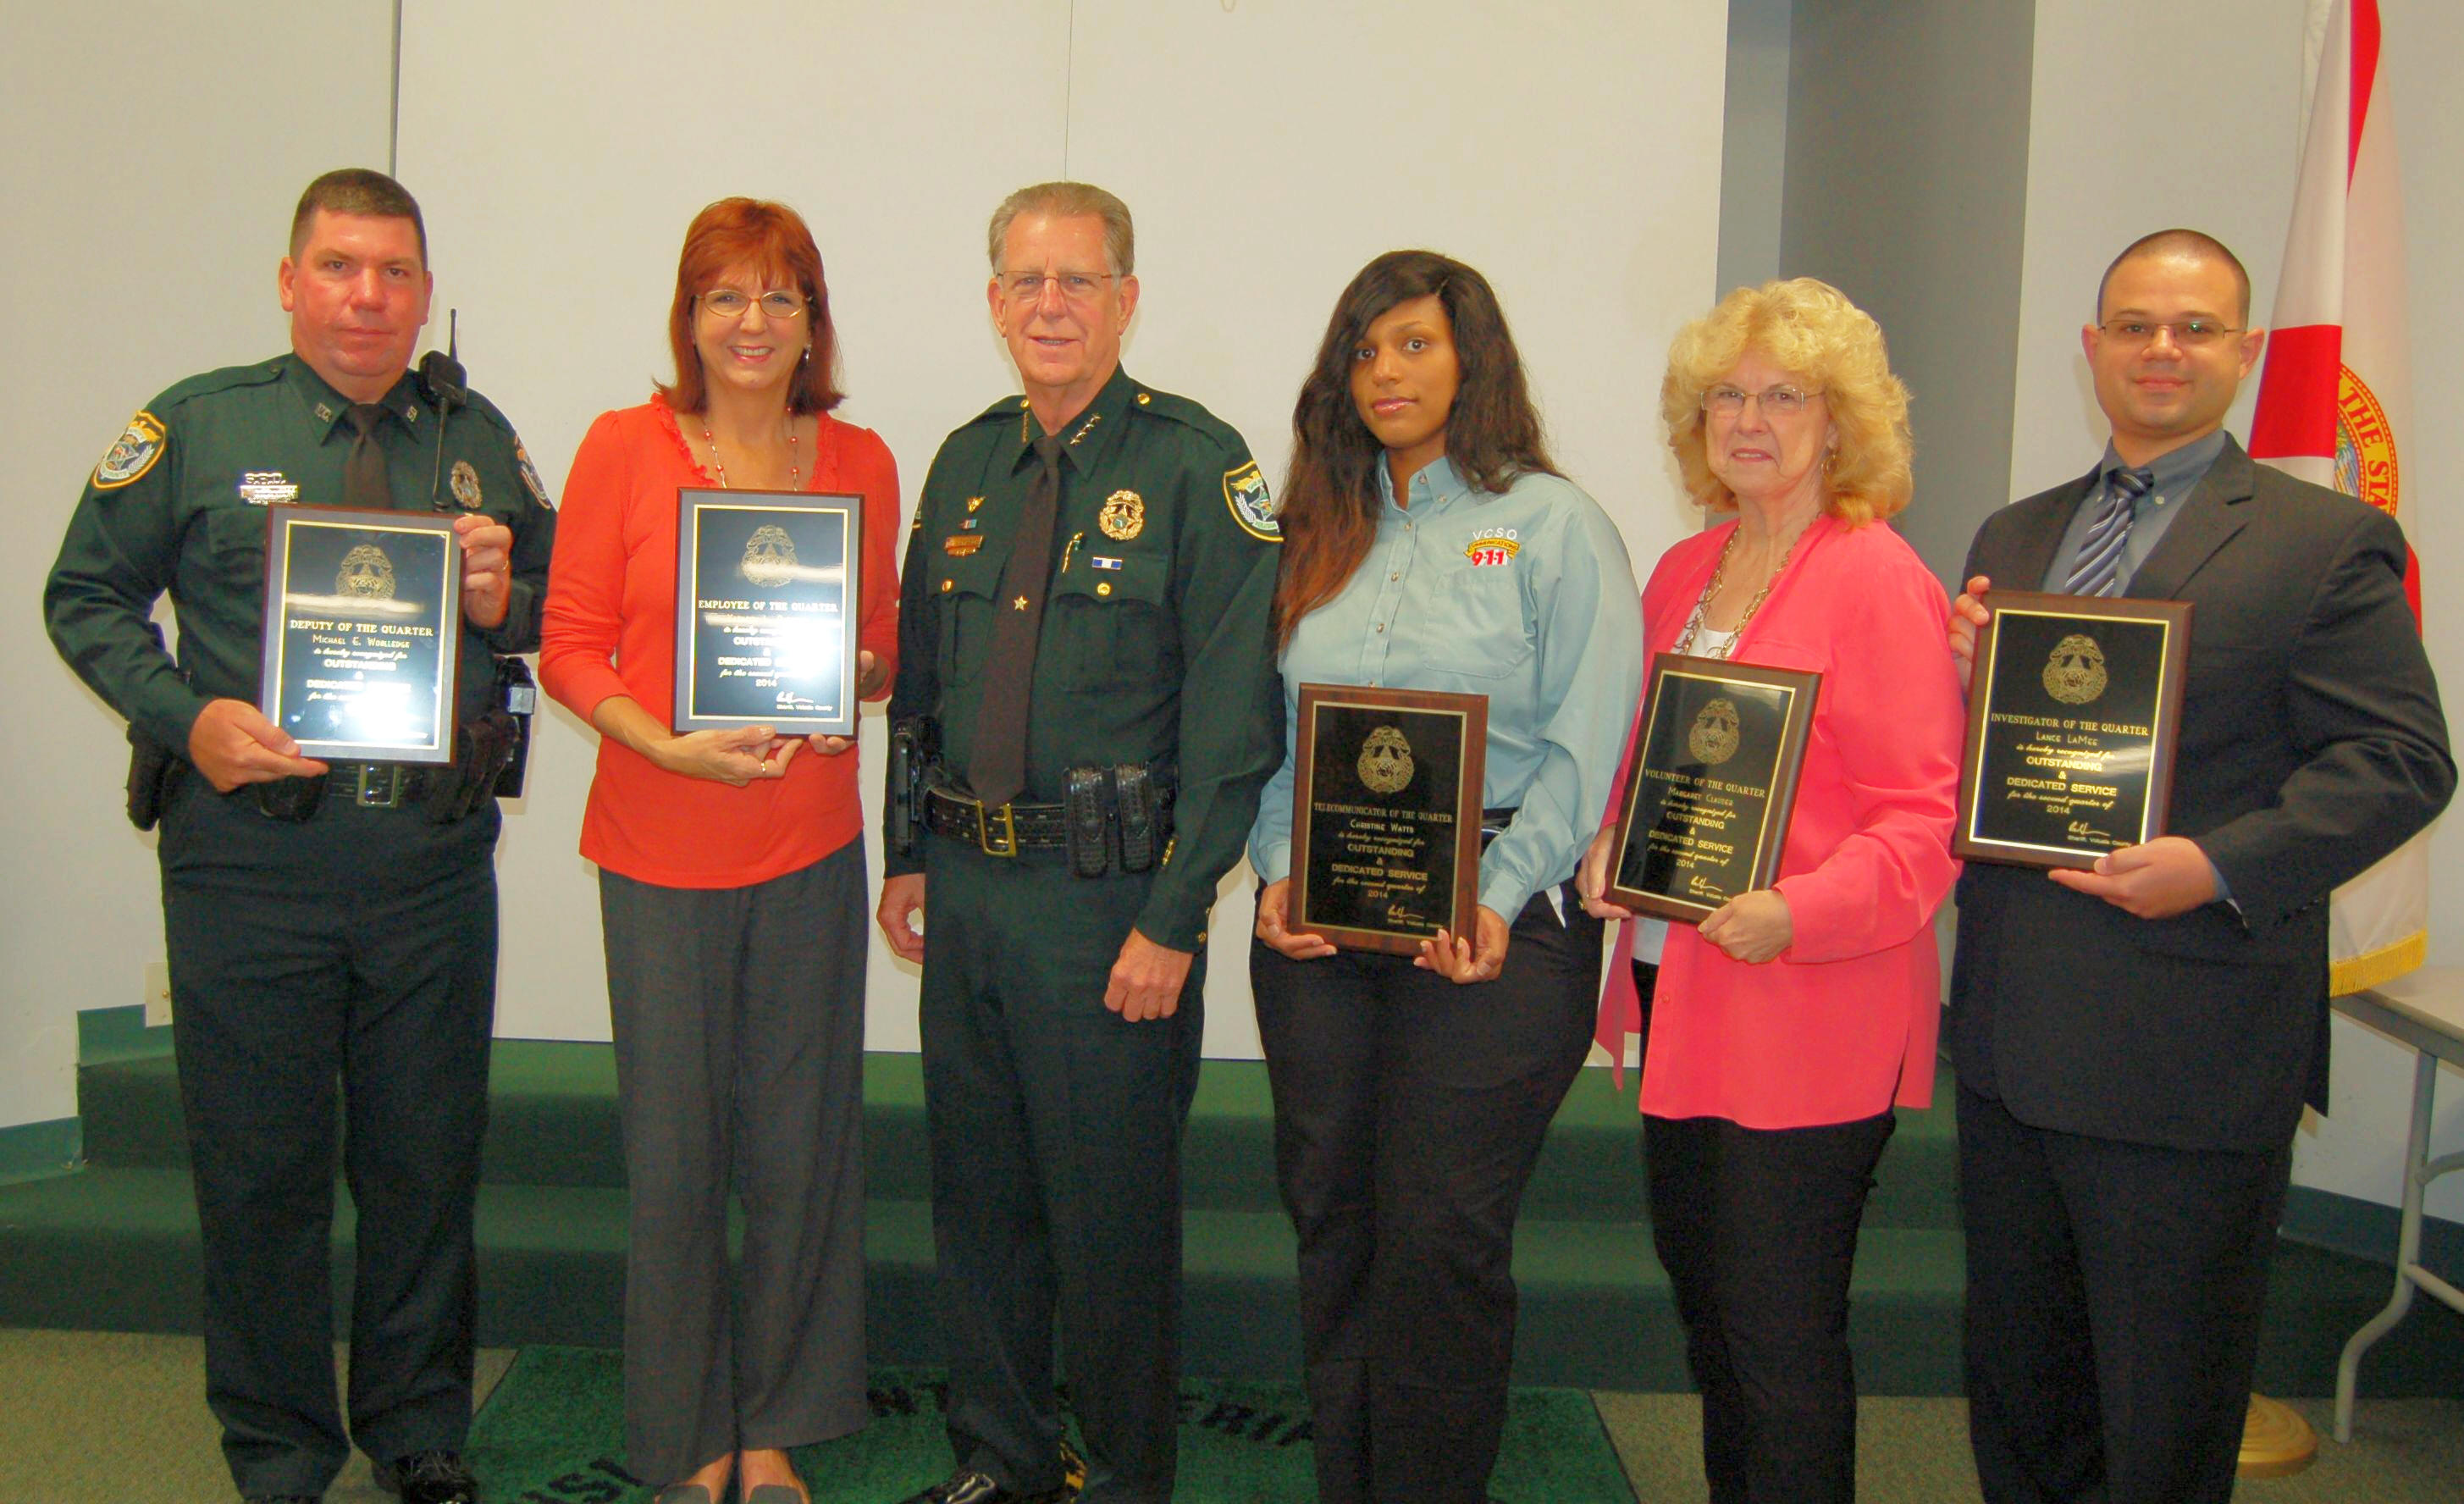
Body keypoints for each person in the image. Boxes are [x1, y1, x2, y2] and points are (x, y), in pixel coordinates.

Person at [42, 168, 555, 1504]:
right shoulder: (201, 427)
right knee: (260, 1169)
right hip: (252, 861)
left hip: (429, 864)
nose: (367, 297)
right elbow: (83, 594)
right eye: (338, 267)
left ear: (424, 291)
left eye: (393, 272)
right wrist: (185, 714)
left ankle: (417, 1425)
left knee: (425, 1162)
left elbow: (552, 606)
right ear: (289, 280)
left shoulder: (478, 435)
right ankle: (276, 1446)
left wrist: (509, 598)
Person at [1943, 229, 2452, 1504]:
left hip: (2186, 1052)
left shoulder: (2325, 539)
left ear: (2243, 352)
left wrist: (2218, 864)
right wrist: (1962, 687)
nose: (2159, 349)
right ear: (2091, 348)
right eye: (2132, 325)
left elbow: (2400, 759)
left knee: (2162, 1420)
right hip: (2014, 1042)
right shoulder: (2017, 529)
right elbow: (2000, 771)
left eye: (2192, 327)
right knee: (2021, 1398)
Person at [873, 181, 1283, 1504]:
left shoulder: (1193, 467)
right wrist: (904, 854)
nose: (1051, 306)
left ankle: (1120, 1478)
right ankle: (996, 1458)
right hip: (974, 890)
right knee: (978, 1205)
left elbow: (1233, 720)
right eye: (1027, 283)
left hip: (1110, 908)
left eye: (1079, 282)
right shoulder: (964, 461)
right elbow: (925, 687)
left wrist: (1175, 918)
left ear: (1127, 299)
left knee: (1107, 1224)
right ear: (993, 302)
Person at [1246, 249, 1644, 1504]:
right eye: (1362, 350)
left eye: (1413, 344)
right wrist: (1270, 871)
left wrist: (1496, 888)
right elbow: (1268, 731)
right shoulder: (1317, 523)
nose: (1384, 372)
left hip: (1494, 929)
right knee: (1334, 1221)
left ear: (1472, 357)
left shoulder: (1553, 523)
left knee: (1440, 1239)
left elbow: (1590, 740)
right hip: (1319, 930)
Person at [1576, 278, 1964, 1503]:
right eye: (1727, 396)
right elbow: (1651, 763)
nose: (1750, 419)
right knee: (1717, 1333)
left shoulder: (1875, 575)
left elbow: (1922, 820)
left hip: (1804, 1009)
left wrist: (1797, 910)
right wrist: (1606, 844)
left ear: (1839, 423)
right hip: (1679, 992)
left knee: (1779, 1347)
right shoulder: (1687, 568)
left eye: (1783, 396)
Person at [539, 197, 899, 1504]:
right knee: (676, 1151)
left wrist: (843, 670)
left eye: (779, 296)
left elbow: (885, 644)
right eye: (723, 298)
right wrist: (662, 741)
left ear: (813, 321)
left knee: (805, 1145)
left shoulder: (859, 458)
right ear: (688, 319)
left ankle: (778, 1419)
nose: (752, 323)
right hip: (656, 840)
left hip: (807, 842)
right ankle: (688, 1426)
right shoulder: (622, 446)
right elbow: (569, 640)